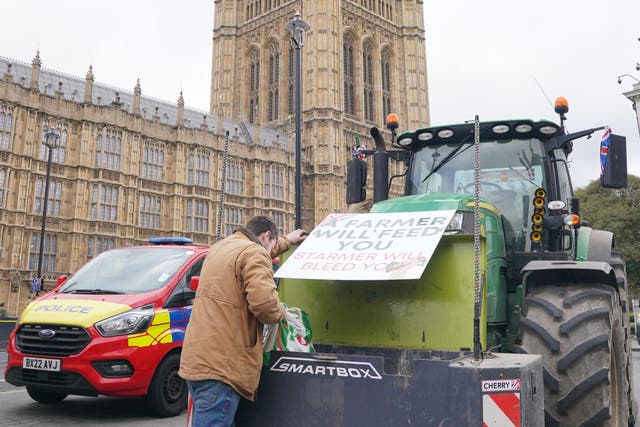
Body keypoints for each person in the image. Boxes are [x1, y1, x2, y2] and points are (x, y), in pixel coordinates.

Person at [179, 215, 306, 426]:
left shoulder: (221, 247)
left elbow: (262, 252)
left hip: (199, 359)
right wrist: (282, 313)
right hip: (224, 366)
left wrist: (287, 240)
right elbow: (265, 306)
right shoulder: (254, 253)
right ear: (266, 236)